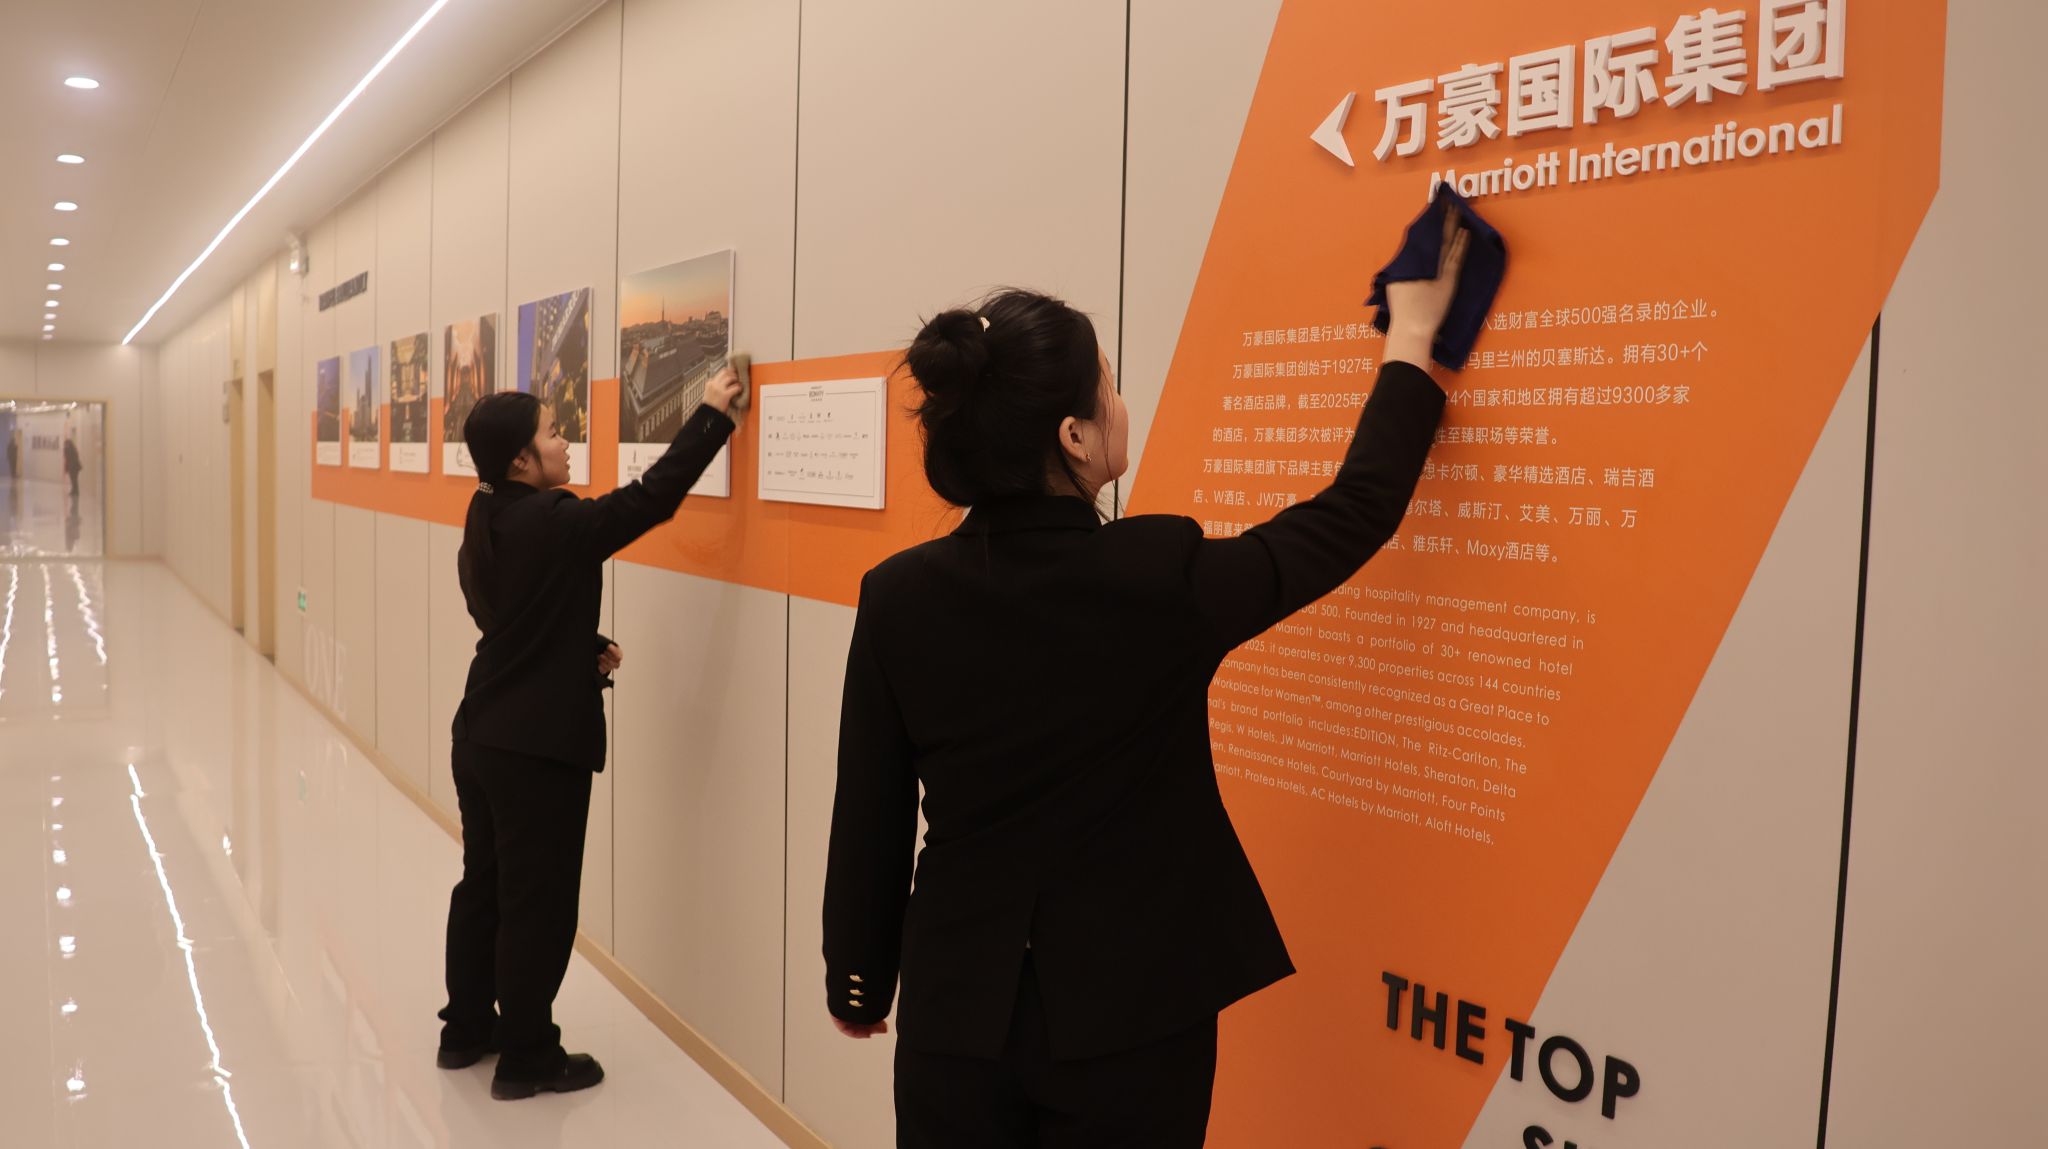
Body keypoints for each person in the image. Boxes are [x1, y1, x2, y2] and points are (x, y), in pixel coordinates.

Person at [822, 218, 1471, 1146]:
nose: (1122, 406)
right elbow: (1352, 514)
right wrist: (1411, 338)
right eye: (1110, 389)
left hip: (957, 1010)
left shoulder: (897, 594)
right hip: (1134, 1015)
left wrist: (858, 977)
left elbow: (870, 808)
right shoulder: (1157, 575)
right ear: (1074, 436)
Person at [440, 366, 744, 1100]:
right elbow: (650, 500)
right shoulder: (554, 519)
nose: (565, 441)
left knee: (484, 887)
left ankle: (467, 1030)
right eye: (553, 433)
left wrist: (578, 648)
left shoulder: (485, 512)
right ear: (522, 458)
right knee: (536, 903)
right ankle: (527, 1056)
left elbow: (508, 619)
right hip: (535, 750)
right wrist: (712, 415)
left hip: (480, 733)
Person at [62, 433, 82, 502]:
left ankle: (76, 491)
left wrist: (70, 467)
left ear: (69, 444)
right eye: (65, 444)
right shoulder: (66, 450)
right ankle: (73, 490)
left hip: (75, 467)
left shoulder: (73, 450)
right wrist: (66, 469)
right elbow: (66, 459)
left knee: (74, 479)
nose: (66, 445)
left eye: (67, 444)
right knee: (72, 479)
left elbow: (74, 459)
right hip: (71, 467)